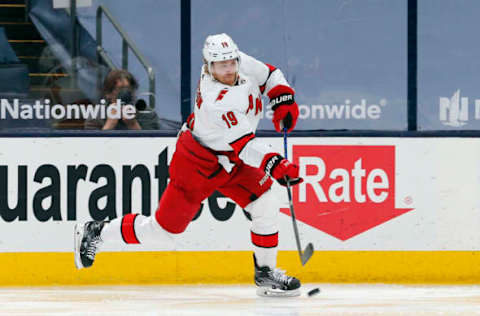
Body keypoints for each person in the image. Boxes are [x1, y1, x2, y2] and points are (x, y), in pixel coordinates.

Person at [74, 33, 302, 297]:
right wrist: (276, 164)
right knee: (163, 232)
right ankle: (97, 231)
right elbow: (246, 146)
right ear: (208, 66)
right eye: (221, 65)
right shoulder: (217, 99)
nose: (228, 69)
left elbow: (270, 74)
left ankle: (265, 273)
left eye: (231, 62)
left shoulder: (239, 62)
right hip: (197, 163)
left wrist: (283, 97)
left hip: (232, 158)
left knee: (265, 201)